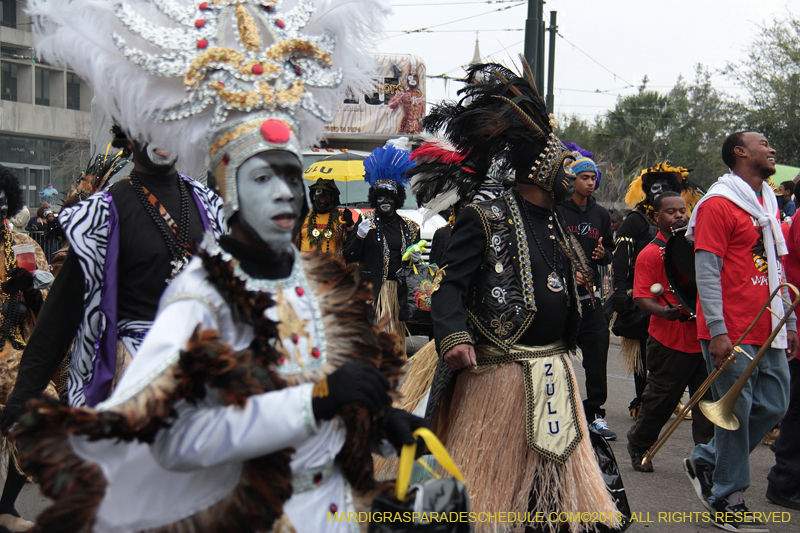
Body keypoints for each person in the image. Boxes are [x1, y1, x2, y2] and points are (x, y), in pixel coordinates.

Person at [10, 1, 420, 532]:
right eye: (262, 178)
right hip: (148, 382)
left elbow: (295, 370)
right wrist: (26, 391)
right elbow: (70, 313)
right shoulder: (127, 234)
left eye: (291, 177)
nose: (284, 195)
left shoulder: (233, 228)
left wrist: (371, 422)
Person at [421, 62, 621, 533]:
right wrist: (452, 336)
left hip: (553, 370)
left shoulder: (555, 220)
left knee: (548, 496)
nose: (572, 174)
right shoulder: (483, 216)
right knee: (488, 493)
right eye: (564, 165)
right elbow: (449, 285)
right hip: (499, 373)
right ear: (541, 168)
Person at [684, 131, 798, 532]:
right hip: (730, 329)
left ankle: (708, 457)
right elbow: (707, 270)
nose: (772, 148)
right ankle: (728, 498)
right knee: (736, 413)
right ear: (740, 152)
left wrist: (790, 321)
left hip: (768, 326)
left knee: (775, 404)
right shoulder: (718, 203)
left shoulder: (767, 201)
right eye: (763, 142)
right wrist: (716, 330)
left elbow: (777, 269)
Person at [625, 192, 713, 472]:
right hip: (669, 341)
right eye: (671, 212)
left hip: (703, 338)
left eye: (683, 211)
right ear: (656, 217)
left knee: (707, 405)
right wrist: (664, 311)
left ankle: (705, 460)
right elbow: (641, 297)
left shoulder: (697, 247)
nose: (679, 216)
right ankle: (639, 442)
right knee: (660, 402)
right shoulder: (651, 253)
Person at [613, 162, 703, 419]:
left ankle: (673, 399)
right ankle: (644, 402)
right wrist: (621, 289)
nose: (658, 191)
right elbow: (621, 255)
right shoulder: (635, 220)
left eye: (664, 187)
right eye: (654, 188)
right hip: (641, 297)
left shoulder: (686, 228)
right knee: (644, 354)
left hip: (680, 302)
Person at [0, 166, 53, 532]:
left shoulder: (23, 245)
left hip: (12, 351)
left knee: (44, 407)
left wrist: (31, 293)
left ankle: (5, 508)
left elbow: (51, 303)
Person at [559, 153, 616, 440]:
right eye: (585, 177)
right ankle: (559, 412)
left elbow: (610, 253)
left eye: (593, 178)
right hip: (560, 297)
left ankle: (595, 414)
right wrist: (568, 273)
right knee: (558, 355)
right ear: (573, 180)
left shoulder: (601, 214)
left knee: (596, 352)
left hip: (592, 298)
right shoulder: (558, 211)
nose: (590, 182)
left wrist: (603, 254)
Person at [344, 140, 420, 353]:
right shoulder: (366, 220)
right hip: (374, 292)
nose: (384, 202)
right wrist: (359, 236)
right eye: (380, 198)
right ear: (374, 199)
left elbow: (415, 263)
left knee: (394, 345)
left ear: (397, 200)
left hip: (398, 293)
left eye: (389, 197)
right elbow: (348, 256)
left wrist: (416, 258)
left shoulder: (410, 227)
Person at [294, 178, 354, 261]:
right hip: (306, 270)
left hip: (332, 270)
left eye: (326, 193)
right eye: (319, 192)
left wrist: (350, 225)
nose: (322, 196)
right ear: (314, 196)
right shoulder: (302, 215)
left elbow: (351, 246)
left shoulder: (341, 217)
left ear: (332, 197)